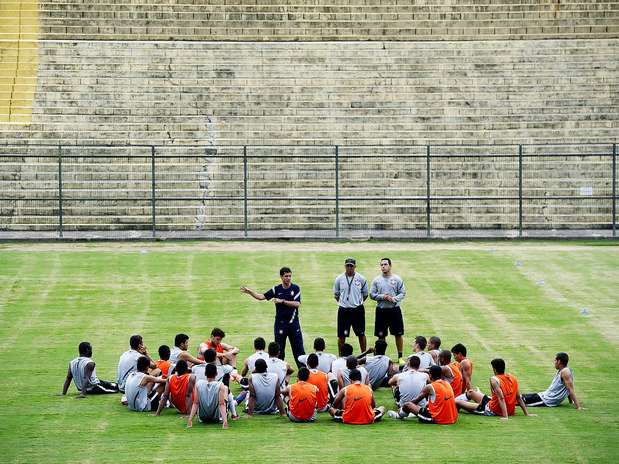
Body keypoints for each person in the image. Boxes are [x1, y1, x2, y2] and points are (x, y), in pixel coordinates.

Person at [241, 267, 305, 367]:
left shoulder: (295, 288)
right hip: (280, 324)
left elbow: (297, 304)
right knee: (279, 349)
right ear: (281, 277)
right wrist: (250, 292)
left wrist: (282, 301)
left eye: (290, 276)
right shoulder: (276, 289)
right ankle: (278, 368)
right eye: (286, 276)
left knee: (298, 349)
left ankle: (302, 370)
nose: (288, 278)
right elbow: (261, 297)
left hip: (293, 324)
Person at [455, 358, 535, 420]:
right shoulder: (512, 378)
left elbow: (501, 398)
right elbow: (518, 397)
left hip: (492, 410)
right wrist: (526, 413)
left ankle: (453, 406)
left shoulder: (494, 380)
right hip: (493, 403)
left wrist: (505, 417)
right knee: (470, 392)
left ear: (494, 369)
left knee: (458, 402)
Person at [388, 365, 457, 425]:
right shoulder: (447, 384)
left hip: (436, 419)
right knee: (426, 405)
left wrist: (403, 407)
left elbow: (415, 401)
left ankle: (398, 415)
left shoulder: (430, 387)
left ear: (430, 375)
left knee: (408, 405)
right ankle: (411, 414)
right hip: (452, 418)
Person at [370, 258, 406, 363]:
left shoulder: (397, 279)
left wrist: (394, 299)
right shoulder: (376, 280)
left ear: (390, 266)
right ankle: (381, 357)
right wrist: (382, 296)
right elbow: (372, 294)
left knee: (398, 334)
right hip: (381, 311)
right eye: (381, 265)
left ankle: (400, 357)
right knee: (381, 335)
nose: (383, 266)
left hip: (394, 310)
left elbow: (402, 293)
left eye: (385, 264)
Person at [334, 257, 369, 354]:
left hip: (357, 310)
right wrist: (343, 302)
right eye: (347, 266)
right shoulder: (339, 279)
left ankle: (363, 354)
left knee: (361, 334)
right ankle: (341, 356)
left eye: (351, 266)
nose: (349, 268)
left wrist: (357, 302)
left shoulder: (361, 278)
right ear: (345, 266)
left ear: (355, 267)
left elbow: (365, 294)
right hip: (344, 310)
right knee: (341, 335)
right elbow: (336, 294)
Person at [193, 348, 240, 418]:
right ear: (215, 357)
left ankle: (233, 412)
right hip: (217, 405)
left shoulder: (196, 368)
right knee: (226, 389)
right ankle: (234, 414)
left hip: (202, 407)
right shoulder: (222, 369)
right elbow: (233, 370)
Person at [187, 363, 230, 429]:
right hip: (217, 418)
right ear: (216, 374)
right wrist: (225, 421)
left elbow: (195, 403)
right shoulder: (220, 385)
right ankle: (234, 413)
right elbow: (222, 404)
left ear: (205, 373)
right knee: (226, 389)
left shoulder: (198, 383)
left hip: (202, 418)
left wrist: (190, 420)